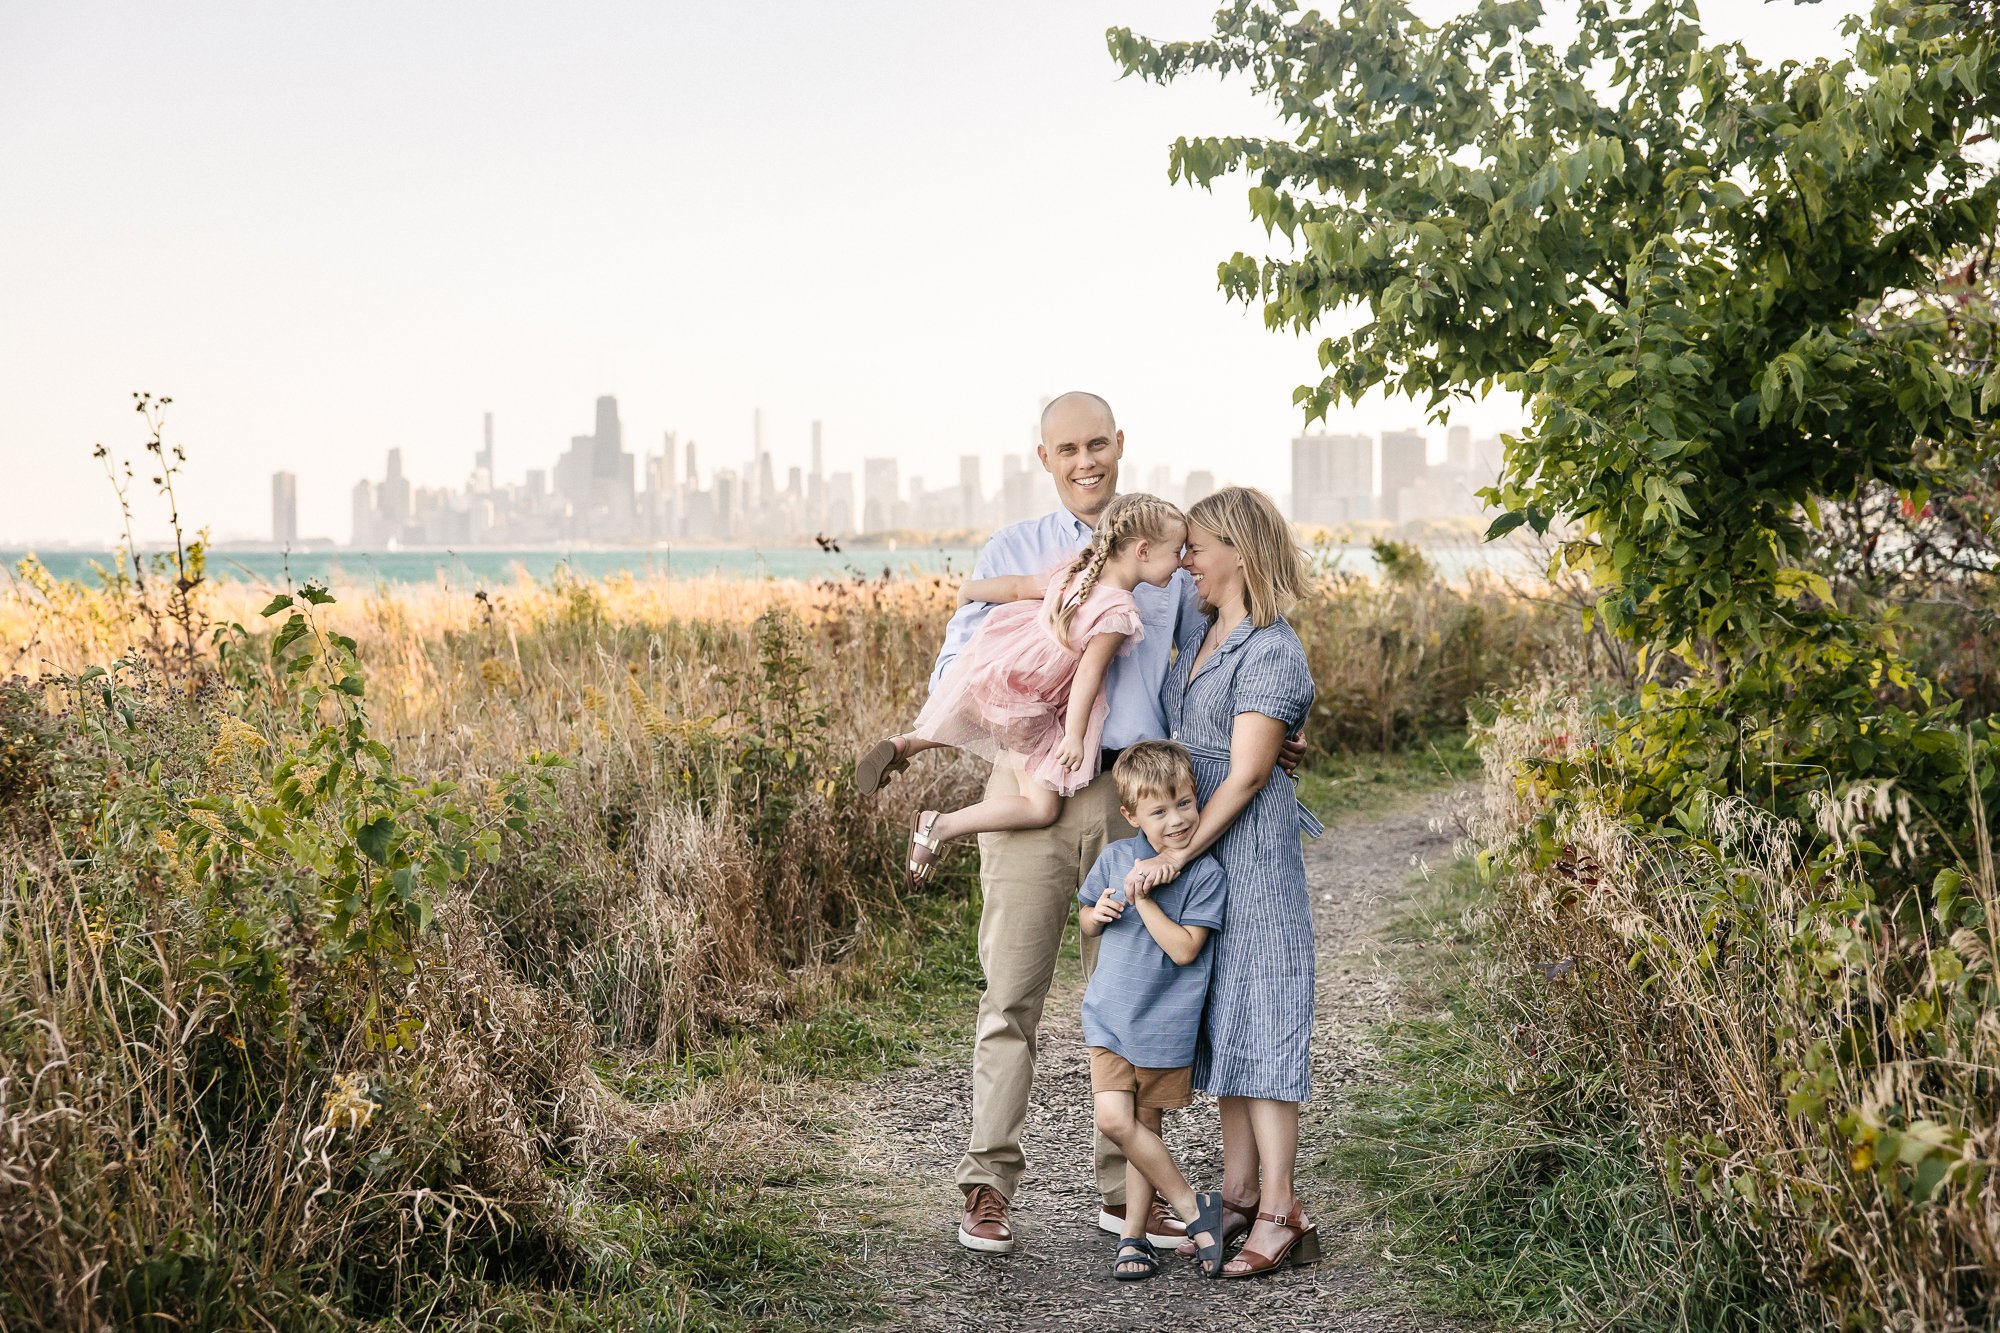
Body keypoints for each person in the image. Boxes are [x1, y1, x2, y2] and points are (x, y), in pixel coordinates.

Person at [921, 393, 1302, 1256]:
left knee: (1128, 998)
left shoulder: (1164, 552)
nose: (1084, 459)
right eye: (1067, 447)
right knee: (1011, 992)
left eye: (1098, 443)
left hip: (1129, 801)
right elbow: (960, 661)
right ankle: (987, 1182)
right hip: (1030, 788)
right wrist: (986, 737)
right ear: (1044, 456)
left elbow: (1211, 663)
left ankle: (1119, 1188)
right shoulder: (1016, 550)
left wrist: (1269, 728)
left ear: (1120, 446)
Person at [1123, 486, 1324, 1278]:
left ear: (1239, 552)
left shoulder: (1272, 646)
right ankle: (1238, 1190)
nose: (1187, 561)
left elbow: (1241, 778)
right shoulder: (1204, 635)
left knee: (1268, 1017)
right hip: (1206, 854)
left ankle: (1282, 1209)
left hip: (1250, 855)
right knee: (1228, 1023)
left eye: (1198, 546)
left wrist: (1173, 857)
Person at [853, 493, 1189, 885]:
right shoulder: (1118, 613)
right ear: (1143, 551)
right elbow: (1087, 676)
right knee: (1041, 808)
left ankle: (907, 744)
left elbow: (1015, 589)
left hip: (1010, 662)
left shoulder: (1075, 570)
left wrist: (969, 591)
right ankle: (939, 825)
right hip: (1039, 693)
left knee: (984, 721)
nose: (1181, 562)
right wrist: (1076, 736)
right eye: (1177, 552)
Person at [1076, 741, 1230, 1281]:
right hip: (1110, 1017)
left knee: (1146, 1126)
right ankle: (1191, 1207)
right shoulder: (1117, 859)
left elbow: (1185, 949)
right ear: (1132, 815)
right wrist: (1102, 909)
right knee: (1114, 1120)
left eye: (1184, 804)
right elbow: (1086, 922)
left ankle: (1133, 1237)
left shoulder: (1204, 874)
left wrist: (1143, 900)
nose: (1176, 820)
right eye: (1159, 811)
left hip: (1164, 1024)